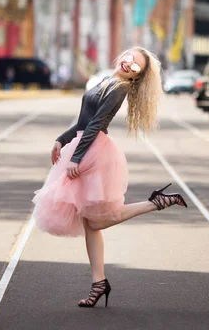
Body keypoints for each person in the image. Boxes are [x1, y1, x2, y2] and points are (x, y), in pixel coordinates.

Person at [32, 46, 187, 308]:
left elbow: (96, 124)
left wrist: (77, 157)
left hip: (93, 152)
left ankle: (157, 202)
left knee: (100, 220)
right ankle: (99, 284)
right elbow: (84, 120)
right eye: (130, 58)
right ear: (123, 56)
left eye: (136, 66)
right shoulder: (108, 80)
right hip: (85, 144)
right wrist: (61, 139)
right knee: (92, 224)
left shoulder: (119, 89)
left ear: (137, 77)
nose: (129, 65)